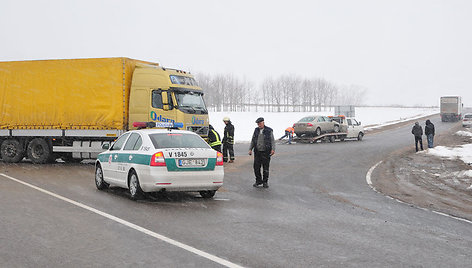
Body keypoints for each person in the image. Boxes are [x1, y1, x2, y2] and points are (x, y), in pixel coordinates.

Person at [249, 117, 275, 188]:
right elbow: (253, 140)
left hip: (266, 152)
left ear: (263, 122)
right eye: (258, 124)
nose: (259, 125)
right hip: (257, 152)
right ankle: (258, 180)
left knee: (265, 168)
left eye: (260, 123)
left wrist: (273, 149)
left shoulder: (268, 130)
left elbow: (272, 140)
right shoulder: (256, 130)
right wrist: (250, 149)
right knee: (256, 167)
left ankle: (265, 182)